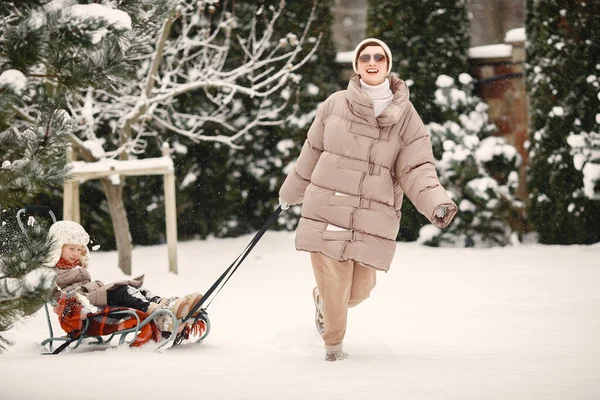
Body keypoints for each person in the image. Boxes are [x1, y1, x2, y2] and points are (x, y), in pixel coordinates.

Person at [278, 38, 458, 361]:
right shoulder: (334, 104)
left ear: (388, 66)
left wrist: (436, 201)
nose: (371, 62)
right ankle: (333, 351)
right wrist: (291, 192)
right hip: (328, 208)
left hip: (370, 217)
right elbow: (311, 152)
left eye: (378, 57)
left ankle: (322, 301)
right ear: (356, 66)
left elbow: (416, 166)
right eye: (365, 58)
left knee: (360, 289)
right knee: (336, 283)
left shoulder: (405, 117)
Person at [46, 220, 203, 335]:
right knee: (121, 290)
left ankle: (167, 304)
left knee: (134, 287)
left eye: (80, 250)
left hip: (90, 298)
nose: (76, 254)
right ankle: (161, 314)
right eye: (71, 248)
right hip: (78, 308)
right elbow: (59, 299)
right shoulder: (49, 273)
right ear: (57, 248)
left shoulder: (76, 269)